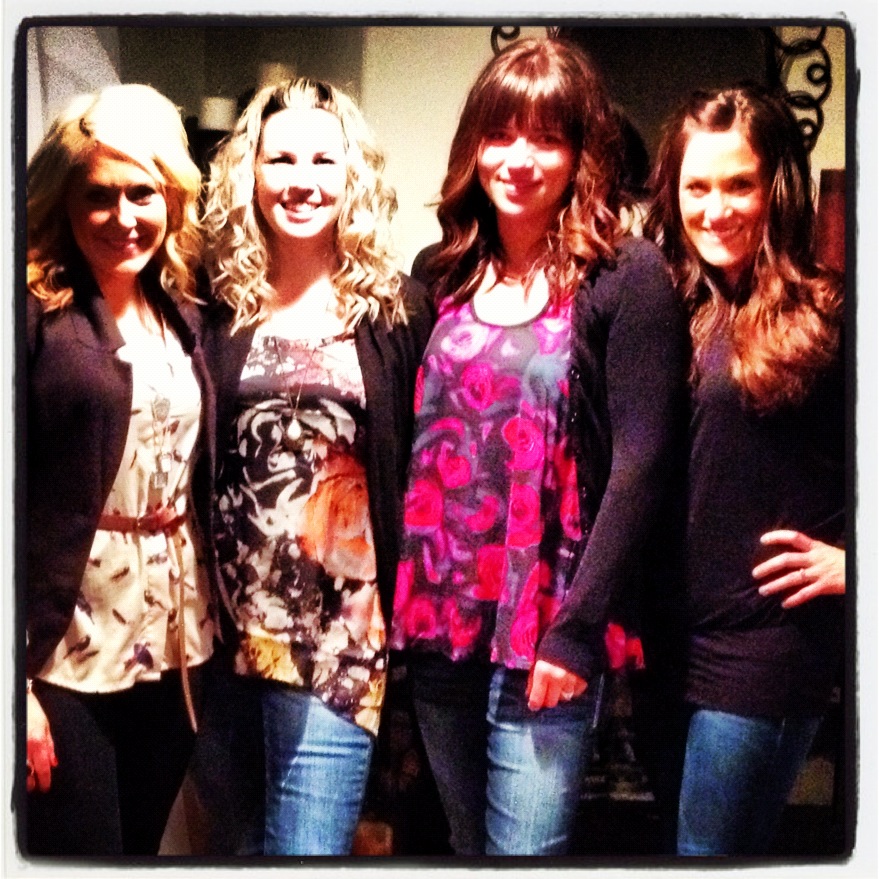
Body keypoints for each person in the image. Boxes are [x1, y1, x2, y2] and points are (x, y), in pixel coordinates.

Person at [389, 37, 689, 856]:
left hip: (546, 624)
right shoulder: (439, 270)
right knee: (465, 844)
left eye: (547, 138)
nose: (518, 159)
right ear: (473, 147)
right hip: (440, 618)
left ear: (580, 154)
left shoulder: (625, 274)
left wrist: (576, 630)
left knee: (526, 852)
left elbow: (639, 466)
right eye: (500, 134)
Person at [198, 77, 433, 856]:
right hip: (221, 644)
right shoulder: (214, 306)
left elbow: (423, 469)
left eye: (323, 161)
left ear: (352, 174)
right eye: (281, 159)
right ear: (250, 172)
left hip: (339, 648)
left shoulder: (398, 310)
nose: (301, 181)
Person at [643, 84, 846, 856]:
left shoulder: (828, 311)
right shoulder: (672, 302)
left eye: (738, 185)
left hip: (767, 647)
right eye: (696, 186)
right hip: (667, 645)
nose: (715, 208)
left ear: (776, 188)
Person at [23, 83, 216, 856]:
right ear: (63, 202)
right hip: (63, 651)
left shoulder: (184, 312)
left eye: (142, 192)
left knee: (138, 851)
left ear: (171, 195)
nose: (123, 216)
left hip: (174, 648)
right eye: (98, 195)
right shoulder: (32, 315)